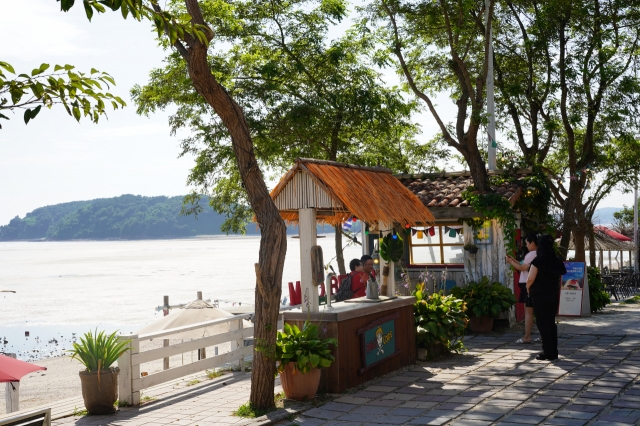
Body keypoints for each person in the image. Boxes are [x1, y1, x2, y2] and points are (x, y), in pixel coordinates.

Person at [526, 234, 567, 361]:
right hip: (553, 294)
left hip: (539, 295)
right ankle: (554, 351)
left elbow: (531, 278)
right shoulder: (557, 261)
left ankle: (547, 351)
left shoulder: (538, 261)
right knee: (551, 323)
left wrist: (528, 288)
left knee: (542, 323)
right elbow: (561, 276)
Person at [506, 233, 539, 344]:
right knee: (539, 311)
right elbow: (522, 263)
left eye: (527, 243)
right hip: (538, 284)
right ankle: (543, 335)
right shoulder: (541, 254)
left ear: (532, 243)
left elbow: (522, 267)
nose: (526, 246)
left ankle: (527, 336)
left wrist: (510, 262)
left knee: (528, 312)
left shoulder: (531, 254)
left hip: (527, 283)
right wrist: (514, 260)